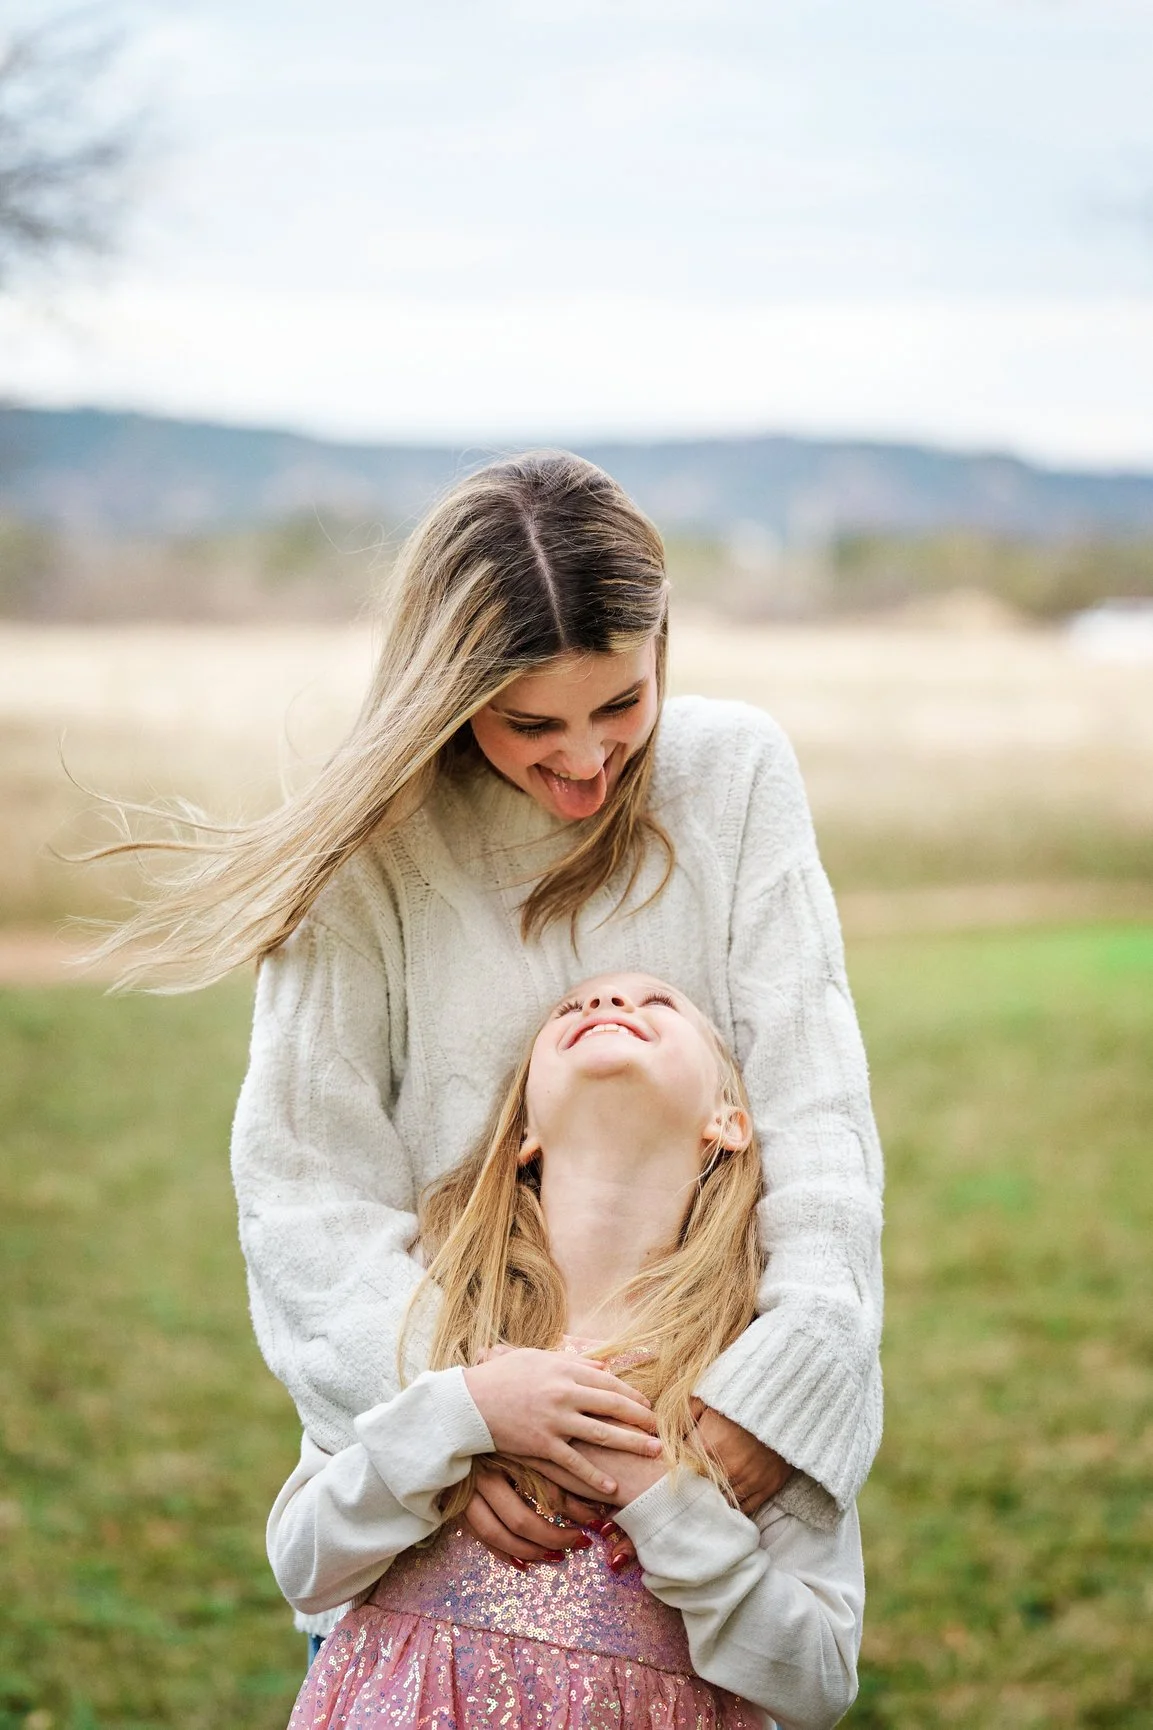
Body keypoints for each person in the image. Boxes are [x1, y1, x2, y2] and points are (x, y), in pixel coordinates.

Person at [97, 450, 882, 1644]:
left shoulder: (736, 774)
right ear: (449, 686)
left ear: (663, 645)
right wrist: (456, 1425)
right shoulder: (375, 835)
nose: (582, 758)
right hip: (432, 1516)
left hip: (697, 1471)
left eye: (620, 703)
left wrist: (780, 1394)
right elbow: (305, 1190)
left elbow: (816, 1115)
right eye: (530, 723)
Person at [269, 971, 865, 1730]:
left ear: (728, 1121)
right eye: (571, 1007)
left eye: (656, 1003)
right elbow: (302, 1569)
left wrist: (664, 1502)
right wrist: (463, 1414)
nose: (606, 1004)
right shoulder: (427, 1320)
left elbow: (819, 1682)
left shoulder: (754, 1379)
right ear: (524, 1136)